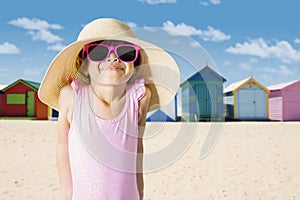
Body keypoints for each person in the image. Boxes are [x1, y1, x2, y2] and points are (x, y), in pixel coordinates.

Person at [38, 18, 180, 200]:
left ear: (135, 64)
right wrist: (66, 191)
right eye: (98, 52)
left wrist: (140, 190)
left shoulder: (141, 96)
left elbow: (137, 147)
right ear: (84, 63)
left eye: (125, 52)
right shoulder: (71, 96)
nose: (113, 58)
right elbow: (62, 144)